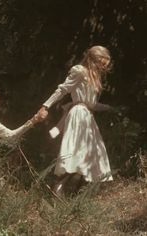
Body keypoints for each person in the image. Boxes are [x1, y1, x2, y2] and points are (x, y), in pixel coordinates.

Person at [37, 45, 113, 196]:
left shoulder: (94, 77)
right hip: (78, 116)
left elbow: (91, 104)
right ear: (94, 60)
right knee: (76, 152)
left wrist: (110, 108)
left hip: (87, 117)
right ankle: (58, 189)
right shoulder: (79, 71)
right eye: (101, 64)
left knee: (93, 154)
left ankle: (76, 194)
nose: (103, 68)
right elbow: (62, 90)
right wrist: (45, 106)